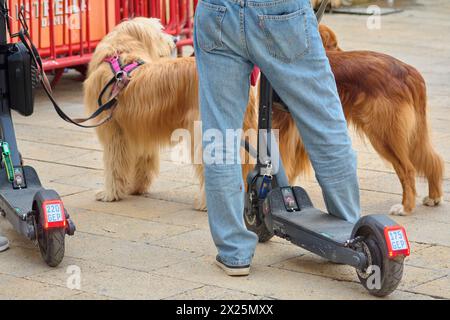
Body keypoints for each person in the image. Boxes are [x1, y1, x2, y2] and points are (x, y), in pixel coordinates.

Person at [194, 0, 360, 276]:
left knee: (219, 135)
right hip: (283, 11)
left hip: (218, 11)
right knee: (323, 121)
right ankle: (348, 231)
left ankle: (234, 253)